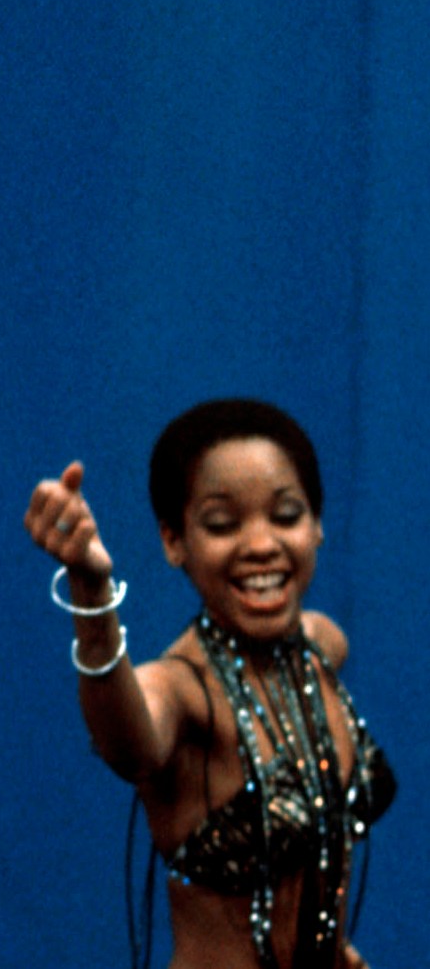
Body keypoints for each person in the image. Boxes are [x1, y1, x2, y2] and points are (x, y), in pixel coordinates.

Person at [24, 399, 393, 969]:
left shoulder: (323, 647)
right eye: (223, 524)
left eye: (287, 515)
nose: (261, 543)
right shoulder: (182, 690)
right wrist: (91, 592)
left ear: (318, 526)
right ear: (175, 541)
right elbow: (129, 741)